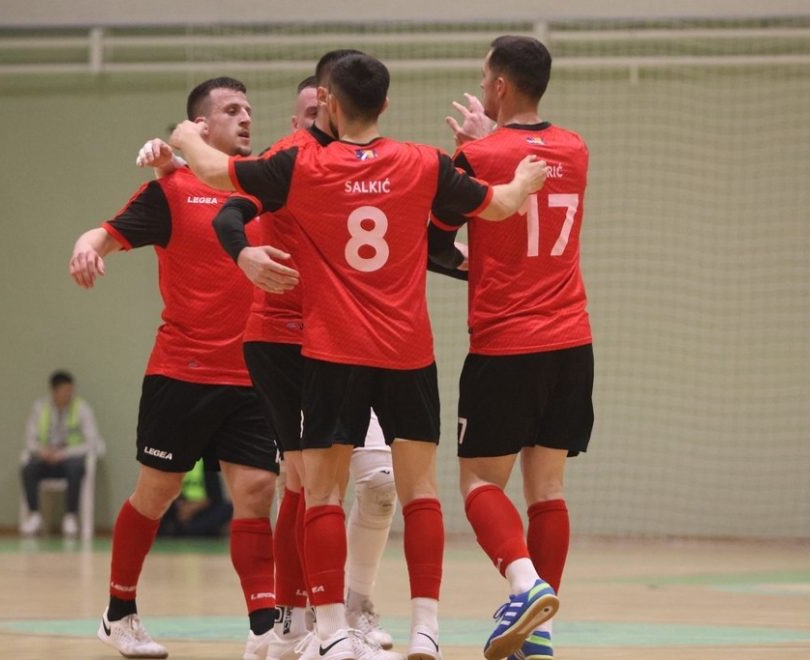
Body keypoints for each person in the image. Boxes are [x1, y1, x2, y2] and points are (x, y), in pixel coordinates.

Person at [170, 52, 546, 660]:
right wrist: (525, 179)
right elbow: (500, 204)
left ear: (329, 103)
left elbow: (215, 174)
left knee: (321, 492)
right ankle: (426, 629)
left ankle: (333, 631)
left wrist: (185, 134)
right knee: (419, 491)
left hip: (334, 351)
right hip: (407, 353)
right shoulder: (423, 162)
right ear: (386, 105)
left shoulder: (304, 165)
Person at [138, 61, 399, 657]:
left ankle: (350, 609)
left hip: (351, 343)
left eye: (324, 111)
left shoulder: (367, 169)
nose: (317, 120)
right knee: (303, 483)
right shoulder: (287, 161)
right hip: (283, 346)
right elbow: (226, 202)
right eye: (308, 113)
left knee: (375, 483)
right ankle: (296, 623)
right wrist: (242, 252)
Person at [69, 76, 281, 660]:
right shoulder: (171, 190)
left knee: (257, 491)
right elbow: (104, 234)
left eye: (248, 108)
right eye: (231, 110)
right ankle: (119, 613)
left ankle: (264, 625)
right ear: (199, 126)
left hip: (252, 374)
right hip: (182, 371)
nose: (245, 117)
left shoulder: (262, 185)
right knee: (156, 495)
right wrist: (87, 247)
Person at [430, 36, 594, 660]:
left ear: (499, 85)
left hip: (505, 343)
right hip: (572, 342)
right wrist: (488, 140)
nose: (481, 85)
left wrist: (471, 150)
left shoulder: (478, 156)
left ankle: (527, 589)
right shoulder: (575, 148)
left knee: (478, 482)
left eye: (484, 78)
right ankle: (540, 634)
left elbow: (434, 243)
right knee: (547, 489)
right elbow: (524, 161)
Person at [20, 369, 102, 538]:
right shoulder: (40, 408)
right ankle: (34, 514)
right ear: (54, 391)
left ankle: (70, 516)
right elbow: (29, 440)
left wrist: (64, 453)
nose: (68, 395)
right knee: (28, 468)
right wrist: (42, 451)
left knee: (75, 468)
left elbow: (92, 442)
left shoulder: (82, 409)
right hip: (45, 459)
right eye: (64, 391)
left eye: (71, 390)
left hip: (69, 460)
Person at [158, 458, 233, 537]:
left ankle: (186, 529)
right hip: (178, 509)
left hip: (202, 510)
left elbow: (215, 496)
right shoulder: (174, 462)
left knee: (228, 508)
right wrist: (181, 507)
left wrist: (193, 507)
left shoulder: (207, 464)